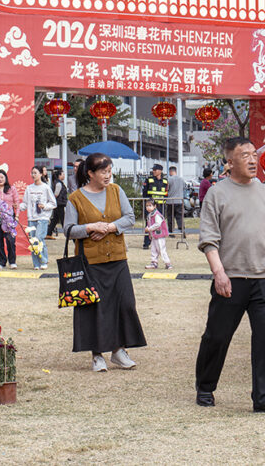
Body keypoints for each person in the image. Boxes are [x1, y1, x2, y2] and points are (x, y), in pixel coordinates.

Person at [195, 137, 265, 413]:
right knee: (217, 336)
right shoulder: (217, 193)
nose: (252, 160)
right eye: (244, 155)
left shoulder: (264, 192)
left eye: (254, 154)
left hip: (263, 278)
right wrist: (219, 273)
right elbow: (209, 240)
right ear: (230, 162)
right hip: (230, 278)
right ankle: (205, 387)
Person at [64, 153, 145, 372]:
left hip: (117, 258)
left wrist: (108, 227)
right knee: (94, 308)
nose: (108, 176)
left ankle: (119, 351)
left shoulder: (117, 191)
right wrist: (91, 228)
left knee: (125, 303)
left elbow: (129, 217)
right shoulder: (75, 198)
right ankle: (97, 355)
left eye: (110, 171)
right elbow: (68, 230)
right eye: (103, 172)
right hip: (90, 261)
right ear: (90, 173)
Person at [21, 166, 56, 270]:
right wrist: (17, 206)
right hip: (32, 218)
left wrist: (44, 206)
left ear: (41, 174)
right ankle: (36, 263)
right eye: (32, 173)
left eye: (35, 173)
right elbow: (25, 203)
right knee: (33, 241)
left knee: (39, 238)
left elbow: (53, 203)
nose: (33, 175)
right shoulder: (29, 188)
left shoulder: (46, 187)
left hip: (43, 217)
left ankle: (44, 261)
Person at [0, 170, 19, 269]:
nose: (0, 179)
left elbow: (17, 203)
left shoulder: (12, 189)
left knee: (10, 240)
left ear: (5, 178)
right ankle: (1, 261)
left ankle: (12, 261)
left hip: (9, 218)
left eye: (2, 177)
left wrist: (17, 216)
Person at [141, 164, 168, 249]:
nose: (153, 171)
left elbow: (166, 193)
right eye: (153, 170)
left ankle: (158, 242)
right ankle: (146, 243)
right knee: (149, 224)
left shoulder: (165, 181)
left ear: (160, 171)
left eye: (155, 170)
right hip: (151, 207)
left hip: (161, 206)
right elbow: (144, 193)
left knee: (159, 224)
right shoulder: (149, 180)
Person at [144, 199, 171, 270]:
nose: (148, 207)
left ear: (154, 206)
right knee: (153, 249)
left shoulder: (157, 215)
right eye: (147, 206)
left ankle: (167, 263)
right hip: (154, 236)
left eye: (150, 205)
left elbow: (157, 224)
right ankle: (154, 263)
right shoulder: (150, 215)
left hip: (160, 236)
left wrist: (149, 229)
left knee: (161, 249)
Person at [165, 165, 186, 239]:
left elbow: (166, 189)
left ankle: (171, 232)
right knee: (180, 217)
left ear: (170, 171)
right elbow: (184, 187)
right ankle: (182, 230)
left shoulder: (169, 179)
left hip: (170, 201)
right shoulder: (181, 179)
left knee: (170, 217)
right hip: (179, 200)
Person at [49, 169, 68, 239]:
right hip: (59, 204)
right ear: (59, 175)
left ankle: (49, 232)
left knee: (55, 219)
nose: (64, 176)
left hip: (58, 203)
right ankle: (67, 232)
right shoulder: (59, 183)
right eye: (63, 174)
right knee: (63, 219)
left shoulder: (57, 182)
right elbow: (56, 194)